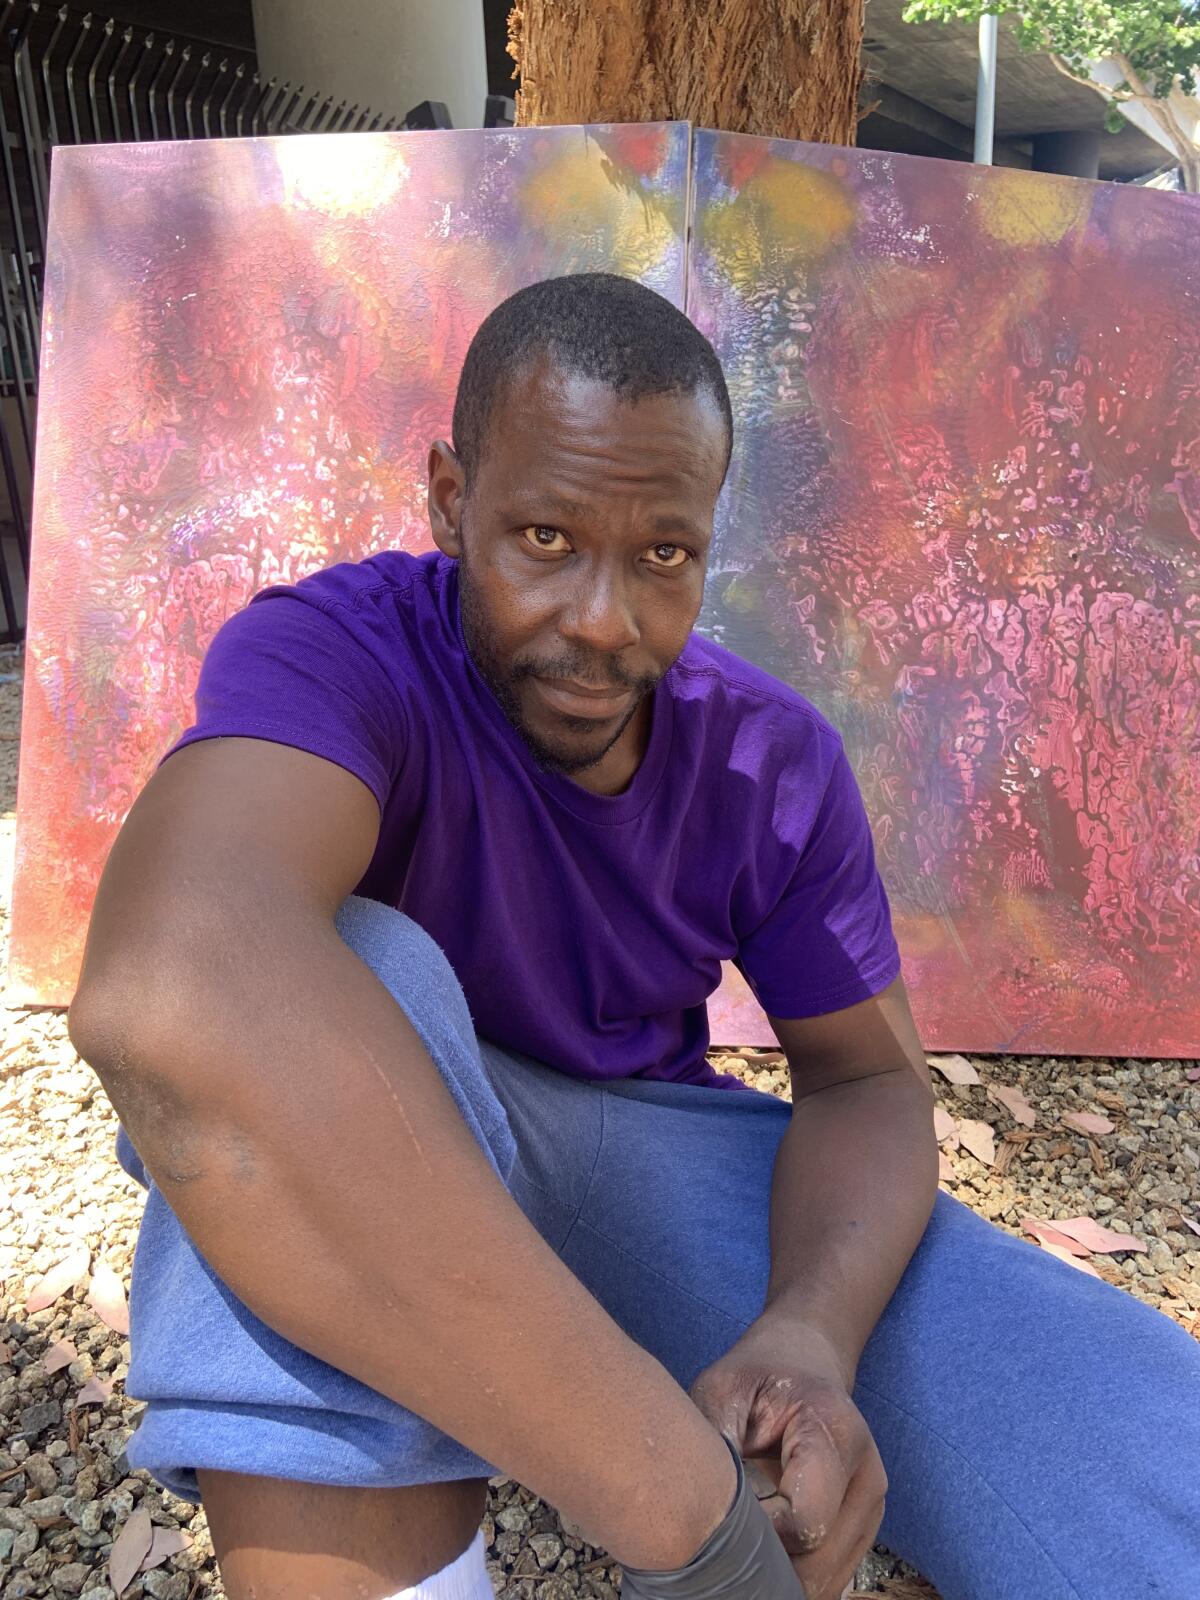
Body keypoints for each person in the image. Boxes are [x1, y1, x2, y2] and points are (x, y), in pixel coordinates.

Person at [69, 273, 1199, 1600]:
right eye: (544, 536)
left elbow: (871, 1080)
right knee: (299, 1025)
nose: (605, 620)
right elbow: (172, 982)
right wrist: (681, 1507)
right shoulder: (339, 653)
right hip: (370, 1132)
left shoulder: (771, 760)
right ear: (450, 501)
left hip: (619, 1162)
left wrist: (808, 1335)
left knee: (1145, 1431)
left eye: (663, 553)